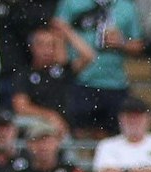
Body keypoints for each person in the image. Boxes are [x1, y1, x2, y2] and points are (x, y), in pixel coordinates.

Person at [57, 0, 146, 135]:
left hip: (115, 83)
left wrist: (121, 43)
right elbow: (58, 30)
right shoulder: (72, 3)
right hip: (81, 81)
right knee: (80, 136)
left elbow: (139, 45)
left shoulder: (126, 7)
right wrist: (65, 66)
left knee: (113, 136)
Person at [16, 23, 82, 132]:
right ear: (32, 47)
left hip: (64, 129)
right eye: (41, 44)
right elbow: (20, 106)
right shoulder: (24, 74)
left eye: (51, 45)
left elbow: (88, 56)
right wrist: (50, 115)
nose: (46, 50)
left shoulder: (62, 70)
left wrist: (67, 32)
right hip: (37, 126)